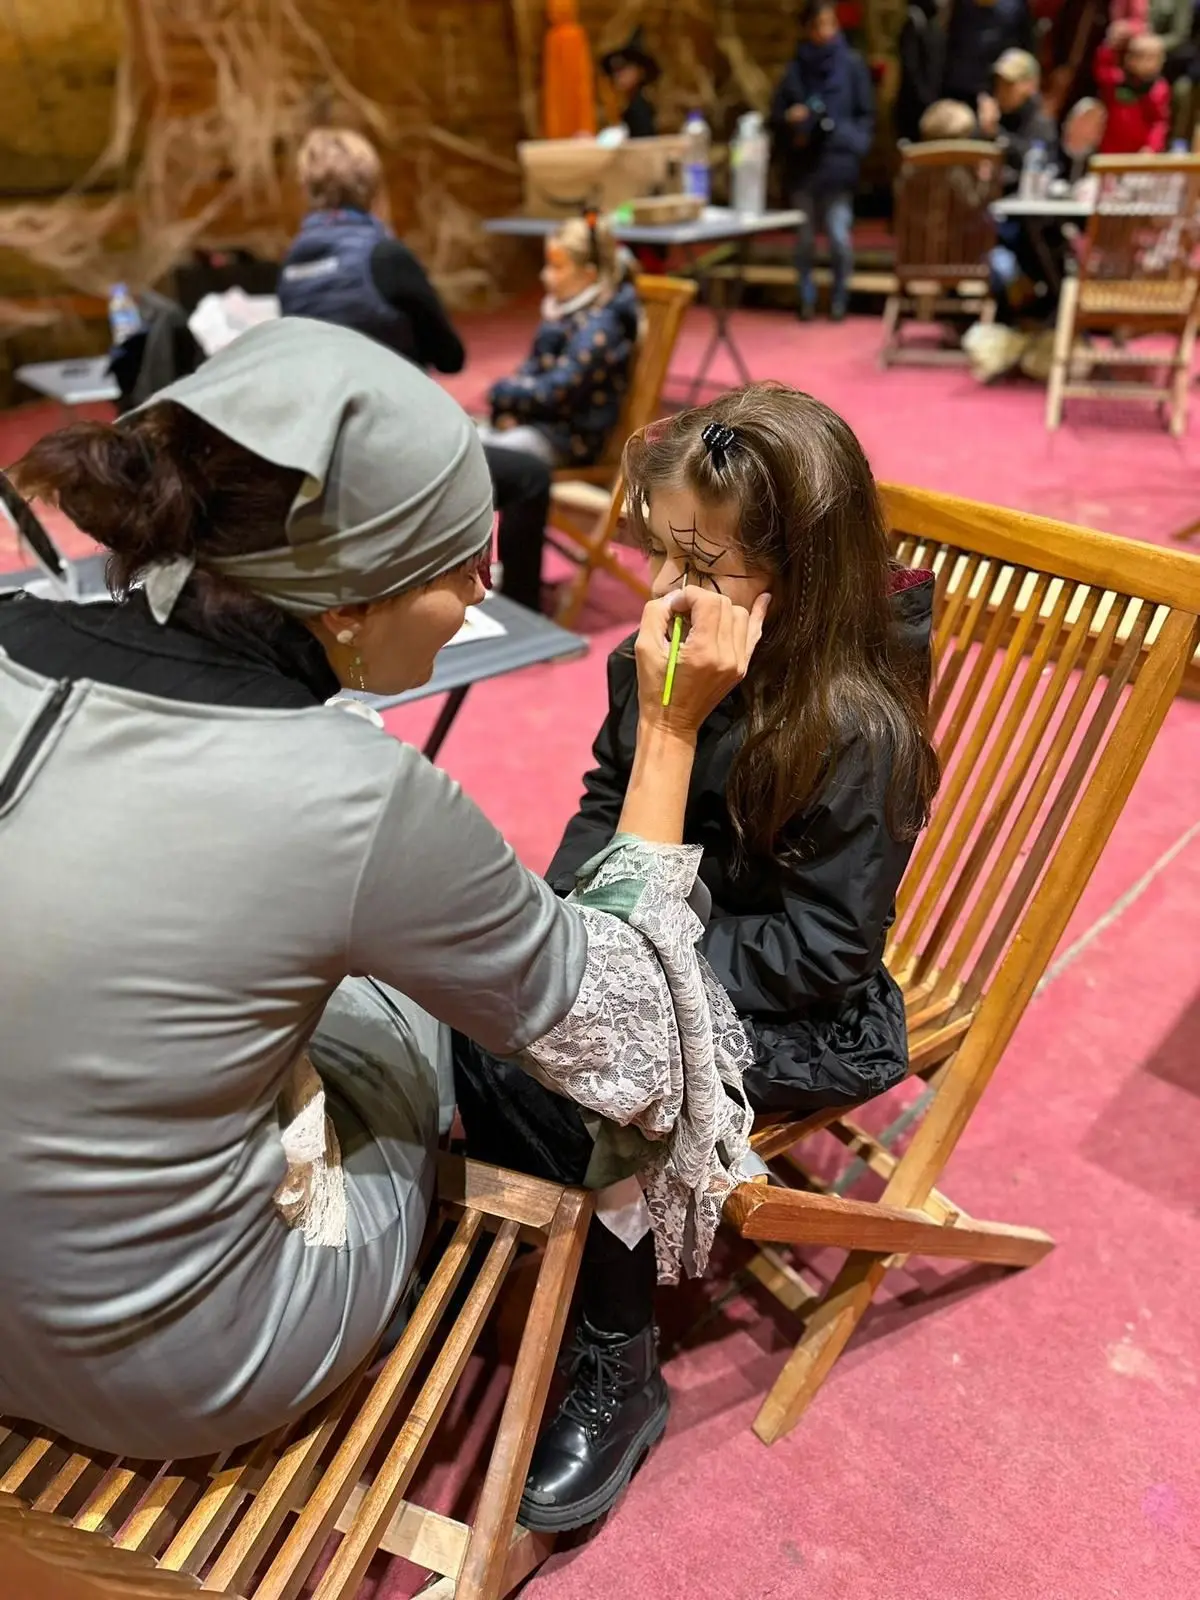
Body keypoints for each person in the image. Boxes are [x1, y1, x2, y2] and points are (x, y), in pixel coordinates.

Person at [0, 317, 769, 1461]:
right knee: (407, 1007)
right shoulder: (358, 796)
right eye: (465, 561)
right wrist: (667, 731)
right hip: (177, 1361)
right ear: (348, 602)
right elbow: (644, 1049)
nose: (479, 594)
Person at [455, 384, 939, 1533]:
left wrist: (650, 969)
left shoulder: (855, 724)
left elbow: (825, 947)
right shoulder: (659, 656)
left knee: (590, 1069)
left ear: (801, 577)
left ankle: (617, 1349)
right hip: (667, 947)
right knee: (467, 988)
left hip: (803, 1008)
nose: (672, 593)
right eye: (663, 554)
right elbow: (600, 798)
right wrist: (597, 923)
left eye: (707, 568)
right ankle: (568, 1198)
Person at [480, 215, 640, 608]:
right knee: (469, 440)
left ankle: (518, 588)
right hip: (545, 426)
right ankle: (491, 568)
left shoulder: (601, 326)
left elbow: (557, 390)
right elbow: (533, 378)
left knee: (492, 461)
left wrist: (504, 393)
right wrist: (511, 402)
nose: (545, 275)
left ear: (588, 274)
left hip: (572, 440)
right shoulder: (568, 315)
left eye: (556, 266)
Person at [278, 127, 464, 375]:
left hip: (321, 409)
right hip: (389, 405)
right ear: (373, 187)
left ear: (307, 190)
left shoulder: (290, 266)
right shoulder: (386, 257)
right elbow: (450, 358)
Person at [770, 0, 876, 322]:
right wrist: (793, 123)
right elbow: (774, 117)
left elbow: (866, 115)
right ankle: (806, 299)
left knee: (839, 236)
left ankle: (840, 298)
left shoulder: (852, 66)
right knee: (803, 240)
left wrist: (851, 142)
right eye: (818, 25)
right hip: (804, 165)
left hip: (839, 163)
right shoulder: (794, 71)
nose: (825, 31)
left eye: (830, 23)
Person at [977, 49, 1060, 191]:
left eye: (1009, 84)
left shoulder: (1040, 121)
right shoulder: (991, 114)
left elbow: (1036, 163)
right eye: (999, 82)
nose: (1001, 90)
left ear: (1031, 85)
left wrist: (996, 134)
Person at [942, 0, 1035, 105]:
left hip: (998, 89)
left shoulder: (1016, 7)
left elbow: (1026, 49)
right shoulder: (961, 5)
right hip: (957, 88)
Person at [1095, 25, 1171, 150]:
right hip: (1110, 148)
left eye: (1151, 58)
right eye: (1138, 55)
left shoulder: (1158, 89)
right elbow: (1101, 70)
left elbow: (1159, 123)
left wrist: (1151, 147)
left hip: (1137, 155)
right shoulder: (1117, 79)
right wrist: (1109, 45)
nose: (1144, 62)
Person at [896, 0, 950, 145]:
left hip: (933, 102)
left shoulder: (935, 23)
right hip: (914, 110)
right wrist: (928, 101)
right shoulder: (913, 22)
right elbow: (911, 71)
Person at [600, 26, 661, 138]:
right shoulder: (629, 105)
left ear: (641, 72)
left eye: (624, 68)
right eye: (615, 71)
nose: (618, 75)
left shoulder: (640, 109)